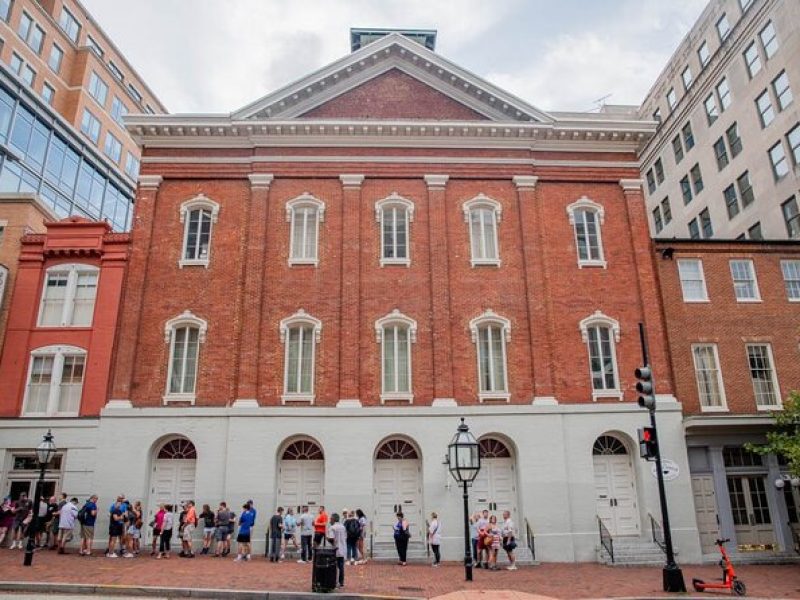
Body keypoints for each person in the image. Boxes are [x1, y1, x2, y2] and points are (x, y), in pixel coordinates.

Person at [326, 512, 347, 588]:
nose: (330, 520)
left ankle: (334, 581)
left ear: (333, 519)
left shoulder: (332, 528)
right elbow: (345, 537)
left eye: (331, 519)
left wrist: (327, 538)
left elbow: (331, 539)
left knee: (333, 567)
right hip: (342, 549)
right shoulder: (343, 527)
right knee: (341, 567)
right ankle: (341, 583)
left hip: (335, 550)